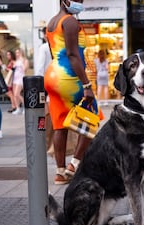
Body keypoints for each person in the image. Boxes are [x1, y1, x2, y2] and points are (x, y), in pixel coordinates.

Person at [44, 0, 96, 185]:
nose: (80, 2)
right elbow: (73, 55)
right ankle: (74, 166)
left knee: (60, 125)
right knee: (91, 119)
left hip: (53, 76)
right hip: (69, 77)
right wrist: (87, 85)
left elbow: (54, 53)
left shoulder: (52, 23)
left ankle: (60, 173)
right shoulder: (71, 22)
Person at [11, 48, 28, 115]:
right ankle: (18, 108)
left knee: (17, 94)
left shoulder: (25, 60)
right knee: (14, 95)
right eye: (16, 53)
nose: (16, 54)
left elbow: (24, 69)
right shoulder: (16, 60)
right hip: (15, 78)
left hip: (20, 79)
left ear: (21, 53)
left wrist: (21, 62)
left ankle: (26, 107)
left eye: (18, 52)